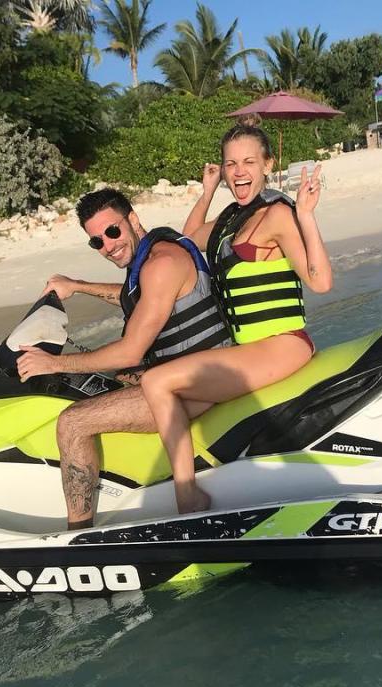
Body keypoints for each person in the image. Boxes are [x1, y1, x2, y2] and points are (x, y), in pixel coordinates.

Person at [140, 119, 333, 514]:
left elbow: (320, 282)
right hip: (248, 351)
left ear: (267, 164)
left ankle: (187, 496)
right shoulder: (233, 218)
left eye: (248, 161)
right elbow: (188, 240)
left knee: (157, 381)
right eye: (230, 164)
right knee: (171, 406)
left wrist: (308, 215)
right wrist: (208, 191)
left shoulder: (277, 214)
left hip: (281, 345)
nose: (239, 171)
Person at [16, 188, 231, 529]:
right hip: (183, 373)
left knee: (72, 422)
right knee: (111, 380)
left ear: (133, 219)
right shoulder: (151, 257)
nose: (108, 245)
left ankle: (79, 536)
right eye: (97, 241)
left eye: (112, 231)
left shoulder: (162, 263)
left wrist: (54, 363)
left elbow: (131, 349)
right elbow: (136, 298)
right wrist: (78, 285)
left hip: (196, 384)